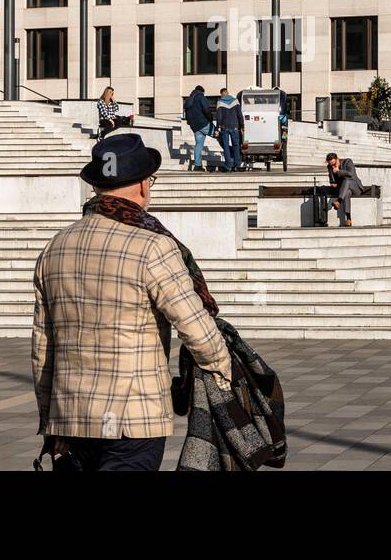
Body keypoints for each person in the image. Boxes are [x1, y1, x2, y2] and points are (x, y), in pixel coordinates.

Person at [32, 133, 232, 471]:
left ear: (97, 186)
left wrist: (50, 421)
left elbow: (42, 348)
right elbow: (195, 327)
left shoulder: (55, 247)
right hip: (132, 418)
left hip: (71, 417)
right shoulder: (153, 247)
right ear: (142, 185)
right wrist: (225, 372)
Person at [326, 152, 364, 228]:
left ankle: (339, 201)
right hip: (344, 189)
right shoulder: (330, 167)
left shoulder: (348, 161)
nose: (333, 165)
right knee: (347, 193)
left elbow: (351, 174)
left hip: (355, 187)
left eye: (334, 163)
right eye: (331, 164)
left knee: (347, 180)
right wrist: (333, 182)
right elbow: (332, 181)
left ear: (337, 159)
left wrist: (339, 171)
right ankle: (348, 219)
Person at [183, 85, 212, 171]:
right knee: (220, 136)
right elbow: (207, 110)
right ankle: (231, 161)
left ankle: (197, 165)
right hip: (203, 123)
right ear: (202, 91)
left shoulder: (188, 99)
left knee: (199, 144)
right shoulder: (201, 98)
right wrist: (210, 119)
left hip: (194, 126)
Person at [214, 89, 243, 172]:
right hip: (235, 126)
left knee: (226, 146)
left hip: (224, 127)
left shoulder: (220, 102)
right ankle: (237, 165)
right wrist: (242, 125)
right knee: (236, 145)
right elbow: (239, 114)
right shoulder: (235, 101)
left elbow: (218, 117)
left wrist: (217, 128)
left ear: (221, 94)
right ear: (228, 93)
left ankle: (228, 165)